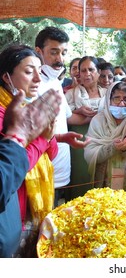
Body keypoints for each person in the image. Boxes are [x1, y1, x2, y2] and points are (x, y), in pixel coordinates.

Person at [0, 44, 58, 257]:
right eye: (28, 71)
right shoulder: (3, 112)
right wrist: (42, 139)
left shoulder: (26, 107)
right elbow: (16, 164)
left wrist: (52, 138)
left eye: (39, 71)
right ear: (7, 77)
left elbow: (51, 154)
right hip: (13, 207)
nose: (37, 79)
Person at [35, 26, 90, 207]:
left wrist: (100, 114)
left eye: (63, 52)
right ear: (39, 52)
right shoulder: (32, 83)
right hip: (40, 166)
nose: (60, 59)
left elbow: (68, 118)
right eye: (54, 52)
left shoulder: (55, 81)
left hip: (61, 165)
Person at [84, 81, 126, 193]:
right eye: (117, 98)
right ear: (108, 100)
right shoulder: (98, 121)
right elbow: (90, 153)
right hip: (106, 180)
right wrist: (113, 148)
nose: (121, 104)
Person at [64, 56, 106, 200]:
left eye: (91, 69)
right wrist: (78, 110)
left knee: (100, 177)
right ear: (79, 74)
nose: (87, 73)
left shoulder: (108, 94)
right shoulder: (70, 95)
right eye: (83, 70)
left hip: (102, 140)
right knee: (80, 176)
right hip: (79, 141)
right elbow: (64, 116)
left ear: (98, 72)